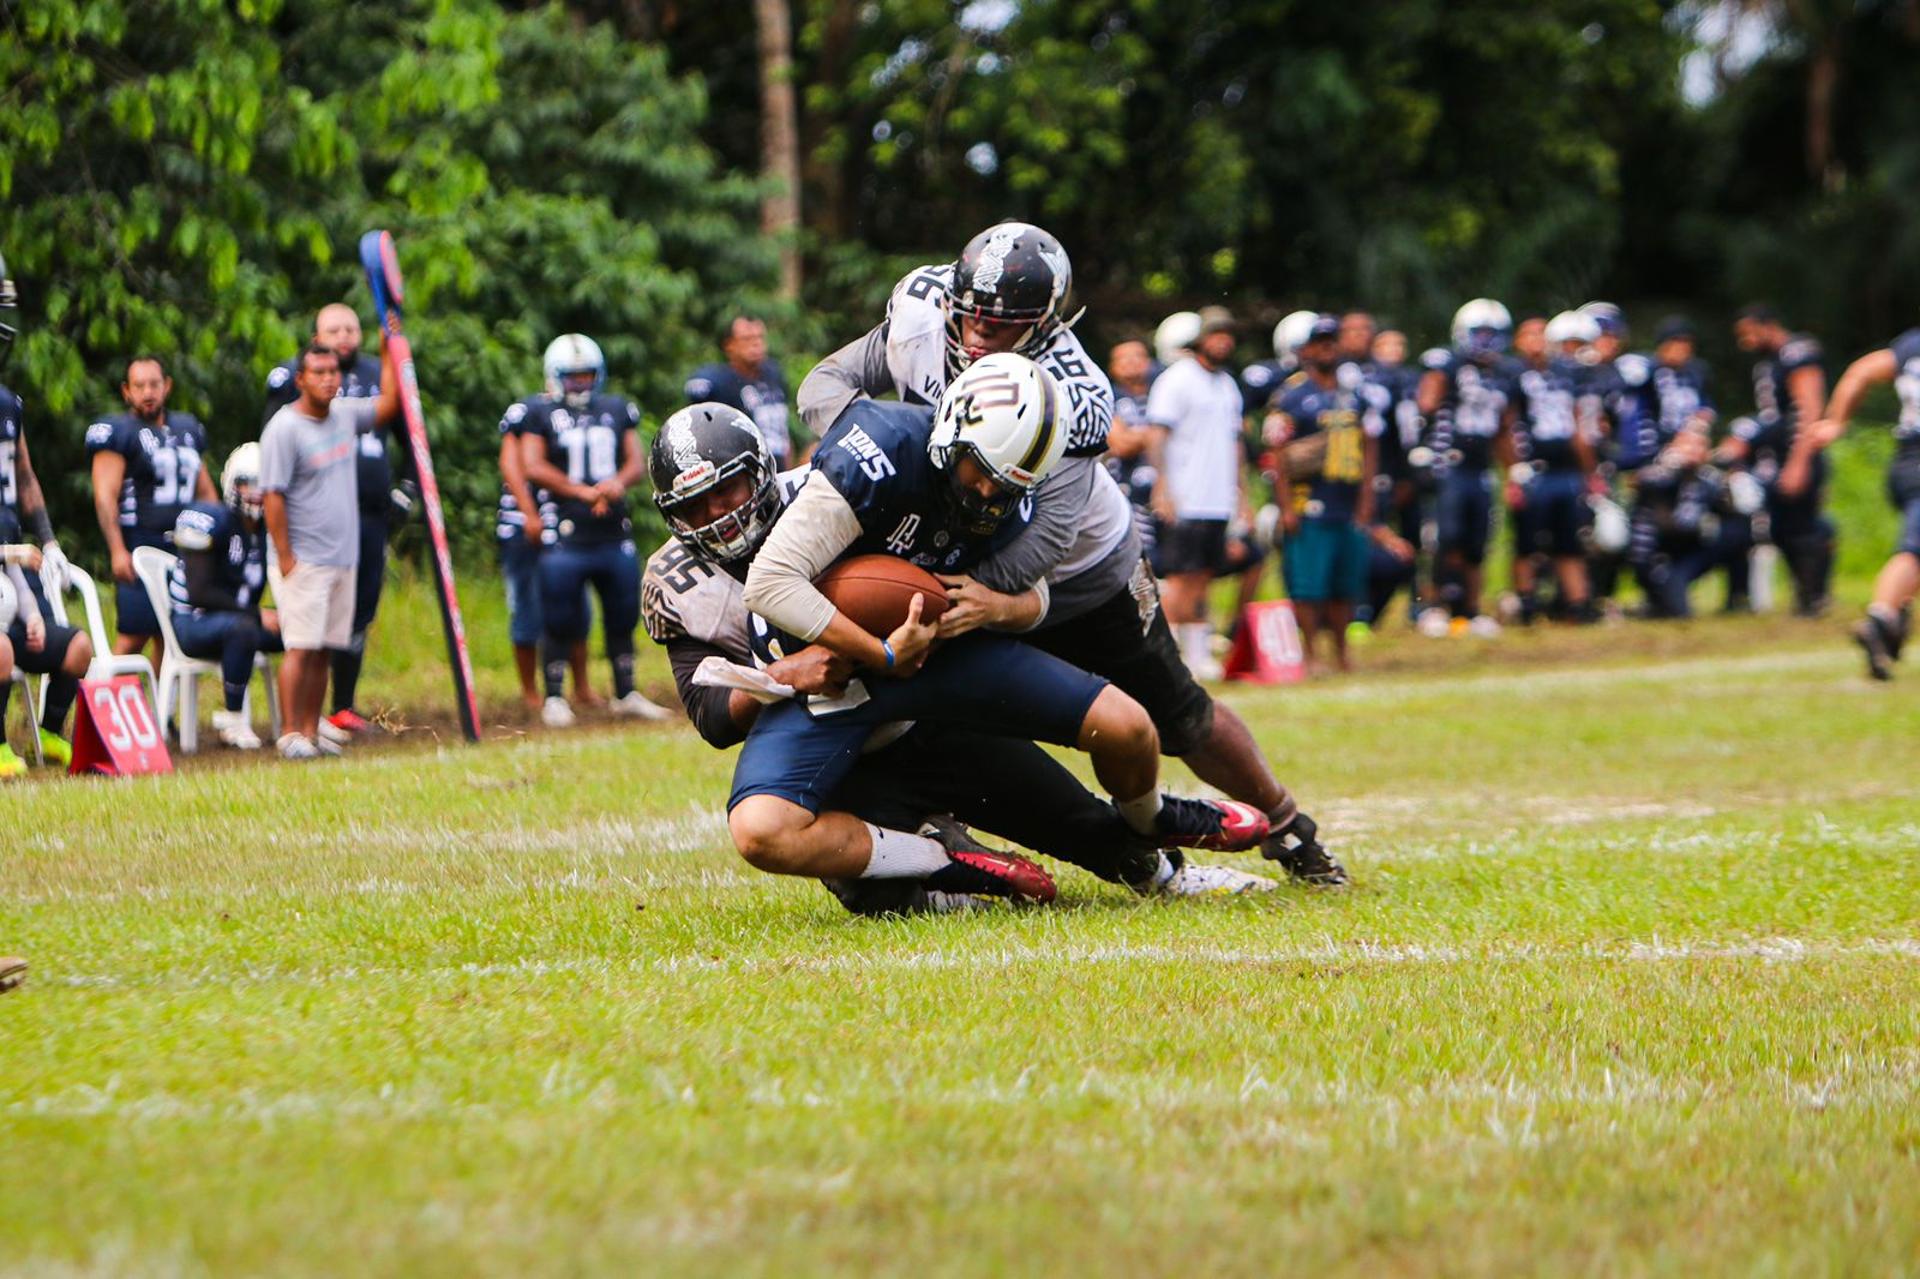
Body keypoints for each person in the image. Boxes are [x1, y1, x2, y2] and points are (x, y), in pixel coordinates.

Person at [802, 230, 1340, 885]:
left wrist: (989, 599)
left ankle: (1286, 826)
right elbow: (826, 382)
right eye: (970, 313)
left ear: (1046, 322)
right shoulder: (921, 310)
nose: (976, 335)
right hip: (956, 546)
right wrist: (875, 455)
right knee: (928, 706)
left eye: (1001, 326)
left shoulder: (1073, 392)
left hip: (1080, 571)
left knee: (1179, 717)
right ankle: (944, 838)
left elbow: (1041, 546)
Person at [643, 401, 1272, 906]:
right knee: (871, 891)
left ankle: (1158, 858)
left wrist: (993, 608)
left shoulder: (834, 491)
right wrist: (777, 676)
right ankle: (944, 862)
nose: (719, 518)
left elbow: (1024, 589)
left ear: (762, 470)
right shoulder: (676, 581)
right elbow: (711, 716)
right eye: (695, 507)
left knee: (1089, 815)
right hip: (835, 737)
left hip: (932, 696)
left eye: (728, 493)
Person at [263, 303, 405, 736]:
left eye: (333, 373)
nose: (328, 380)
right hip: (304, 558)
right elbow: (272, 496)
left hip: (342, 556)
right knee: (301, 649)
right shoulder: (285, 428)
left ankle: (311, 729)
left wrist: (389, 351)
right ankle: (291, 734)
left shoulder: (344, 416)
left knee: (325, 650)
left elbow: (388, 406)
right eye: (318, 373)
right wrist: (286, 556)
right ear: (300, 379)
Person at [518, 333, 672, 727]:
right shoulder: (539, 411)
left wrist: (616, 484)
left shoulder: (616, 407)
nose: (581, 383)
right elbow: (532, 464)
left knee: (622, 610)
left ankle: (625, 691)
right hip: (565, 529)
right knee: (560, 614)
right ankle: (554, 694)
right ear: (555, 376)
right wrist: (581, 492)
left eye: (587, 375)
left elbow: (635, 460)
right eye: (572, 376)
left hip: (610, 529)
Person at [1802, 326, 1920, 679]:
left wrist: (1837, 422)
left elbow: (1862, 371)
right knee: (1914, 550)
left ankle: (1895, 619)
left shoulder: (1912, 345)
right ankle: (1882, 618)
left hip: (1905, 461)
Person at [85, 355, 216, 664]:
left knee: (170, 635)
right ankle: (101, 701)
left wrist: (216, 539)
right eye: (139, 385)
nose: (147, 392)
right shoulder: (119, 431)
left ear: (167, 386)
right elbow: (105, 496)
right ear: (126, 391)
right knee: (133, 635)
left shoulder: (187, 428)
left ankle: (160, 709)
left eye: (154, 384)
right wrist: (117, 549)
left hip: (184, 545)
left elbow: (206, 491)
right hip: (140, 543)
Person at [1269, 314, 1380, 671]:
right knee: (1309, 583)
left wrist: (1367, 500)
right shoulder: (1291, 395)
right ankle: (1311, 653)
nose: (1327, 349)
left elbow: (1370, 446)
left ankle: (1342, 653)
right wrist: (1284, 506)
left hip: (1346, 501)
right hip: (1307, 503)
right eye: (1320, 343)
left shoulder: (1353, 393)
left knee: (1344, 583)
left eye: (1332, 342)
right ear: (1306, 349)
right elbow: (1277, 454)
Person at [1146, 306, 1246, 678]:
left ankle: (1198, 653)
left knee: (1203, 577)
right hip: (1186, 495)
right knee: (1180, 578)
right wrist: (1163, 487)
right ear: (1200, 339)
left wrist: (1242, 499)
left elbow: (1236, 446)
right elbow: (1157, 435)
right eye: (1216, 334)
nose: (1224, 341)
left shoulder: (1227, 385)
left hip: (1217, 498)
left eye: (1228, 334)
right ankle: (1167, 656)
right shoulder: (1177, 380)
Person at [496, 362, 598, 711]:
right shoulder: (527, 410)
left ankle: (581, 687)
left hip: (564, 526)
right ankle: (530, 692)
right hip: (524, 524)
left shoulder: (579, 415)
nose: (579, 383)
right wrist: (529, 512)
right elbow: (512, 464)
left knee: (575, 607)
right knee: (526, 605)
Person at [168, 443, 281, 750]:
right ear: (232, 484)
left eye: (263, 483)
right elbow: (200, 593)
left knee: (302, 627)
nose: (256, 492)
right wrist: (257, 615)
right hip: (193, 622)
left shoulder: (265, 529)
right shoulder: (211, 519)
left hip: (236, 618)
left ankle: (298, 719)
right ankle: (233, 717)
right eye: (248, 483)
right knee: (243, 628)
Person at [1417, 298, 1520, 635]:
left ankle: (1472, 610)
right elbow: (1425, 405)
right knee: (1448, 538)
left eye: (1493, 334)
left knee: (1478, 542)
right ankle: (1435, 607)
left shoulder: (1504, 374)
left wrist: (1514, 471)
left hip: (1481, 468)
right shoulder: (1446, 365)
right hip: (1450, 463)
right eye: (1480, 333)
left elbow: (1505, 427)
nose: (1487, 342)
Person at [1728, 305, 1834, 615]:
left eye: (1748, 332)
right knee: (1782, 527)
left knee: (1805, 527)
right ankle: (1805, 595)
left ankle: (1815, 597)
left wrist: (1799, 461)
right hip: (1778, 456)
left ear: (1767, 326)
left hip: (1799, 453)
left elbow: (1809, 408)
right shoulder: (1767, 363)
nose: (1745, 341)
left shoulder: (1797, 352)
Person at [1507, 312, 1603, 624]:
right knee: (1526, 541)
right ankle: (1525, 604)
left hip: (1565, 471)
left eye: (1541, 334)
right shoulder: (1511, 374)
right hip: (1532, 469)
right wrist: (1512, 469)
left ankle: (1578, 604)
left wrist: (1590, 472)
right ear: (1518, 341)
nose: (1536, 342)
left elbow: (1577, 424)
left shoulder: (1565, 373)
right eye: (1529, 335)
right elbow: (1504, 426)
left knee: (1569, 541)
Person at [0, 506, 93, 773]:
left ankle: (50, 733)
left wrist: (33, 619)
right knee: (1, 649)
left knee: (78, 647)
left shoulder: (5, 517)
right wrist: (9, 552)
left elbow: (18, 583)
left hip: (10, 622)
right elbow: (11, 558)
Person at [684, 314, 799, 467]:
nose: (756, 344)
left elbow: (783, 433)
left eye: (759, 337)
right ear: (729, 345)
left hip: (778, 468)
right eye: (747, 339)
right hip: (745, 470)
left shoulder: (773, 375)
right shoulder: (720, 382)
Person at [1104, 338, 1162, 564]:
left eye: (1138, 356)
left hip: (1165, 494)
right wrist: (1162, 433)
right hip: (1126, 495)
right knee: (1140, 562)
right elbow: (1121, 444)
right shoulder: (1108, 396)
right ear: (1113, 367)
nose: (1131, 362)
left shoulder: (1161, 394)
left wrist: (1139, 435)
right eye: (1123, 358)